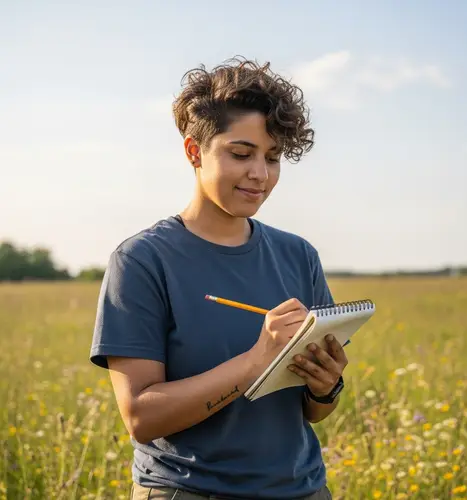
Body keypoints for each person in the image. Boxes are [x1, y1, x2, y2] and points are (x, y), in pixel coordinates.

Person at [90, 56, 349, 500]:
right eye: (241, 153)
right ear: (194, 151)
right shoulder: (142, 260)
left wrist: (326, 388)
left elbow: (311, 412)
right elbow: (140, 417)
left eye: (273, 158)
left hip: (302, 490)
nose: (260, 175)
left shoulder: (299, 255)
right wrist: (256, 359)